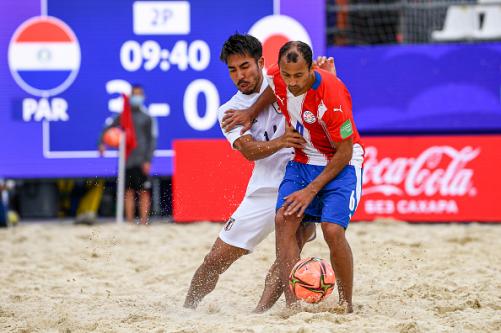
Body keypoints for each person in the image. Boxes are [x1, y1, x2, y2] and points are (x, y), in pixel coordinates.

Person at [183, 34, 336, 313]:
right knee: (216, 259)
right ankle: (187, 307)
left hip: (301, 177)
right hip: (263, 189)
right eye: (232, 70)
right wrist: (281, 141)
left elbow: (316, 90)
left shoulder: (285, 77)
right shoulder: (228, 110)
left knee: (291, 246)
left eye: (245, 66)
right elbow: (249, 151)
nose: (239, 75)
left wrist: (324, 76)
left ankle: (262, 313)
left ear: (261, 63)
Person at [225, 41, 363, 313]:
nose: (292, 82)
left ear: (311, 68)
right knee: (284, 219)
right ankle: (293, 304)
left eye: (299, 76)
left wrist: (311, 191)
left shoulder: (333, 96)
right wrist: (251, 113)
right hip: (303, 158)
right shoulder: (279, 75)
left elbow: (345, 153)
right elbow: (273, 88)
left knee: (333, 230)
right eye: (287, 75)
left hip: (340, 161)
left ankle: (347, 304)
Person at [99, 84, 157, 225]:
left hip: (141, 159)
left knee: (144, 191)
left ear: (142, 97)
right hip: (127, 159)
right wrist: (102, 142)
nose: (137, 97)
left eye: (139, 94)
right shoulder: (124, 116)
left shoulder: (147, 117)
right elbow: (108, 128)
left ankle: (144, 221)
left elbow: (152, 140)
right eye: (134, 94)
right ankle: (130, 221)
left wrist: (148, 160)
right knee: (128, 191)